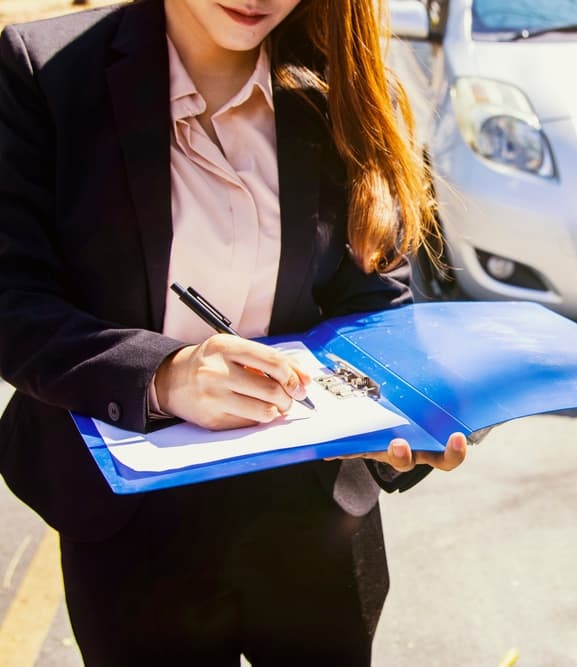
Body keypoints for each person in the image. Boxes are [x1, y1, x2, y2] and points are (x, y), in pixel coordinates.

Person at [0, 0, 467, 664]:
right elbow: (15, 299)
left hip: (313, 515)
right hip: (130, 527)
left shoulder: (346, 83)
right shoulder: (44, 72)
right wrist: (162, 375)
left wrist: (400, 410)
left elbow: (372, 293)